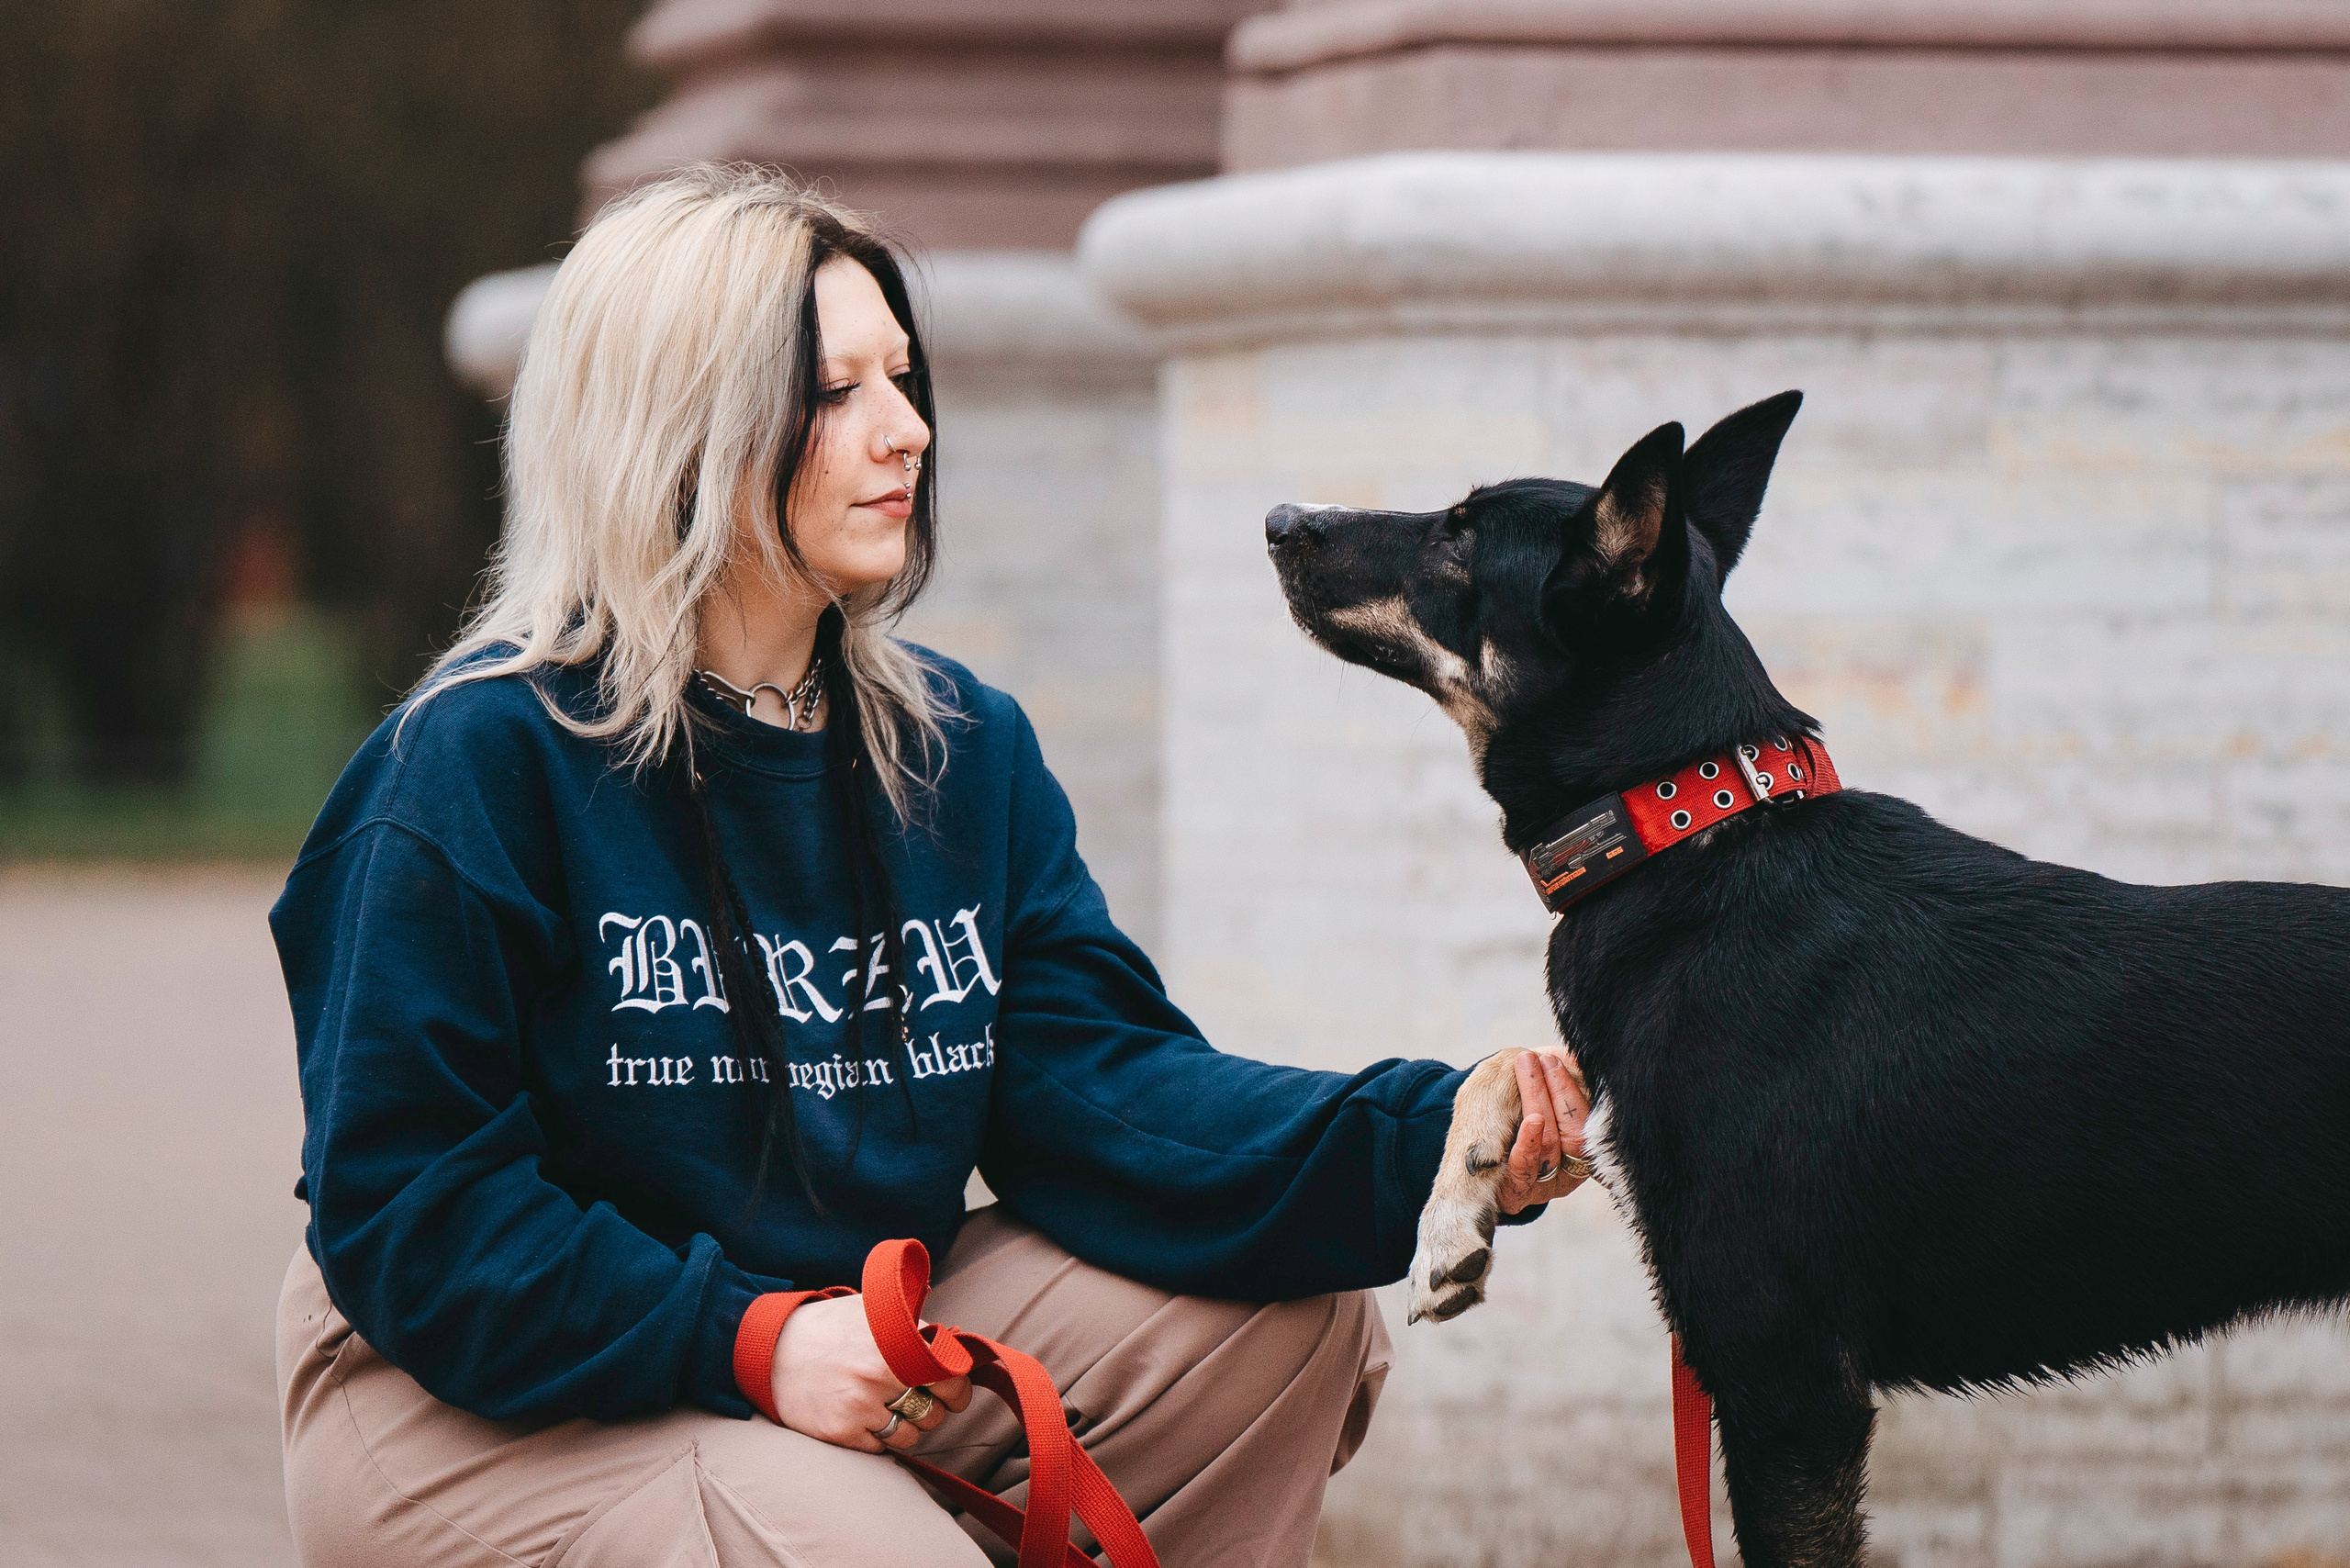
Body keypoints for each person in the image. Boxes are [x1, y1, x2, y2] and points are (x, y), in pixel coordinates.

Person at [270, 163, 1591, 1568]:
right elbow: (416, 1209)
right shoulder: (473, 764)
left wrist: (1425, 1137)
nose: (906, 432)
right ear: (682, 427)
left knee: (1289, 1318)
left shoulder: (961, 751)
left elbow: (1104, 1092)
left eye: (903, 380)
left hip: (842, 1317)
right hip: (468, 1394)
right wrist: (755, 1342)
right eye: (836, 393)